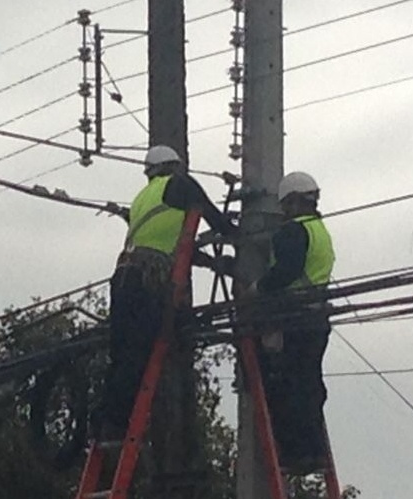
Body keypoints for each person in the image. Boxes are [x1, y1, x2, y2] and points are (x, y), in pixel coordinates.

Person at [96, 145, 236, 440]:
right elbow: (212, 216)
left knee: (122, 353)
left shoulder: (142, 198)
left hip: (123, 276)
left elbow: (173, 244)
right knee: (141, 350)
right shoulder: (180, 184)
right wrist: (239, 237)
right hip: (149, 280)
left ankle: (109, 425)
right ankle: (117, 426)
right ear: (174, 166)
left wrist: (212, 263)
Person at [248, 171, 335, 474]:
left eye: (286, 205)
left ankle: (294, 452)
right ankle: (313, 451)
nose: (284, 212)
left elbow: (286, 271)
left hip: (294, 318)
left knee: (288, 384)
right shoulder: (319, 230)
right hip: (316, 318)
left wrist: (259, 288)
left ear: (294, 201)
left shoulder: (293, 232)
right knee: (309, 382)